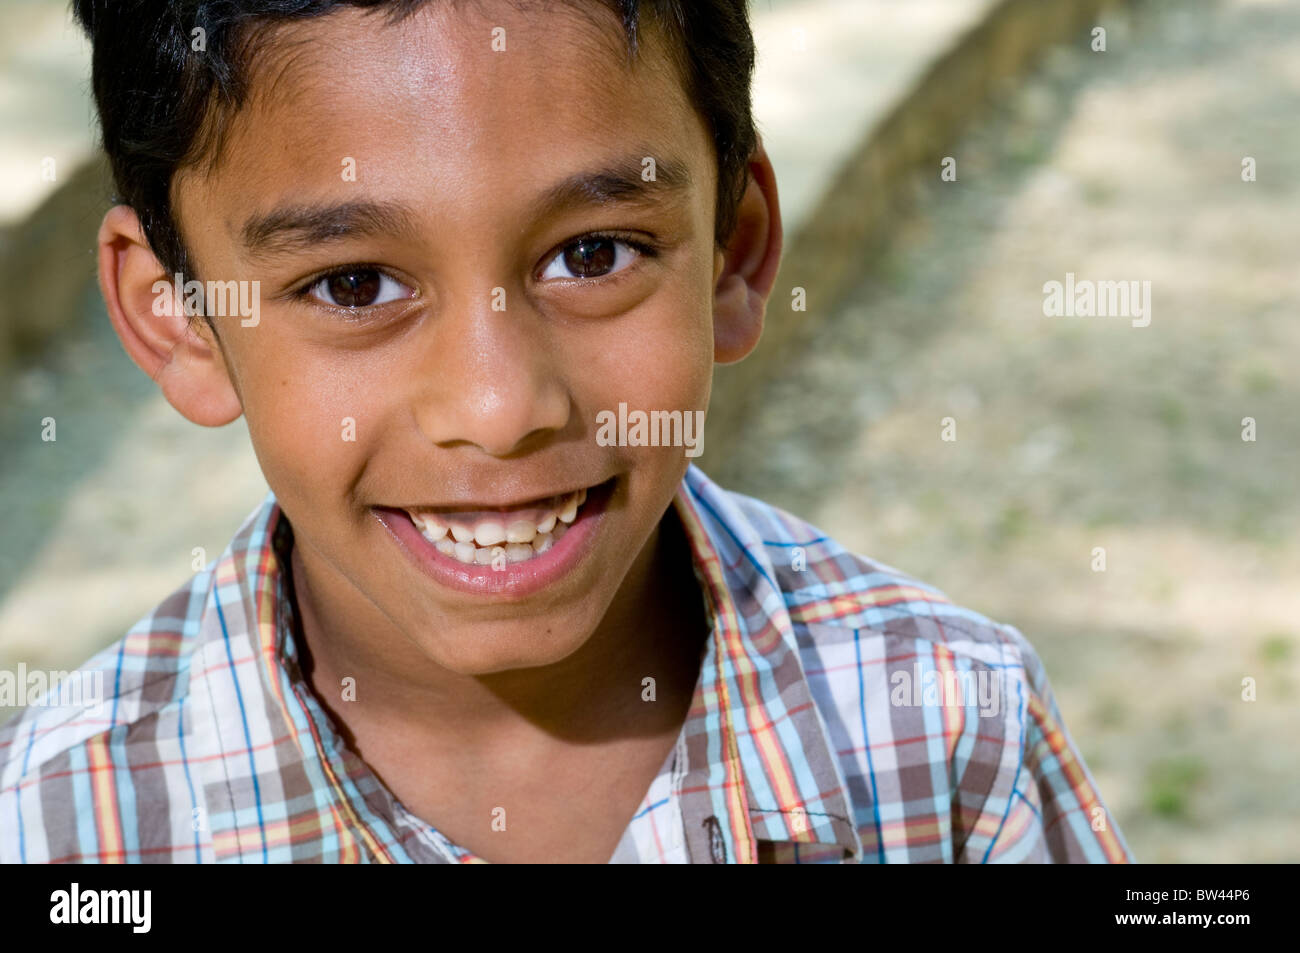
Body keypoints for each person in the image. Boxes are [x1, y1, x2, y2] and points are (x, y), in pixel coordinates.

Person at [0, 0, 1132, 863]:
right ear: (182, 318)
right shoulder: (66, 823)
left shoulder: (944, 732)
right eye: (352, 284)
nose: (499, 410)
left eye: (593, 255)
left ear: (735, 253)